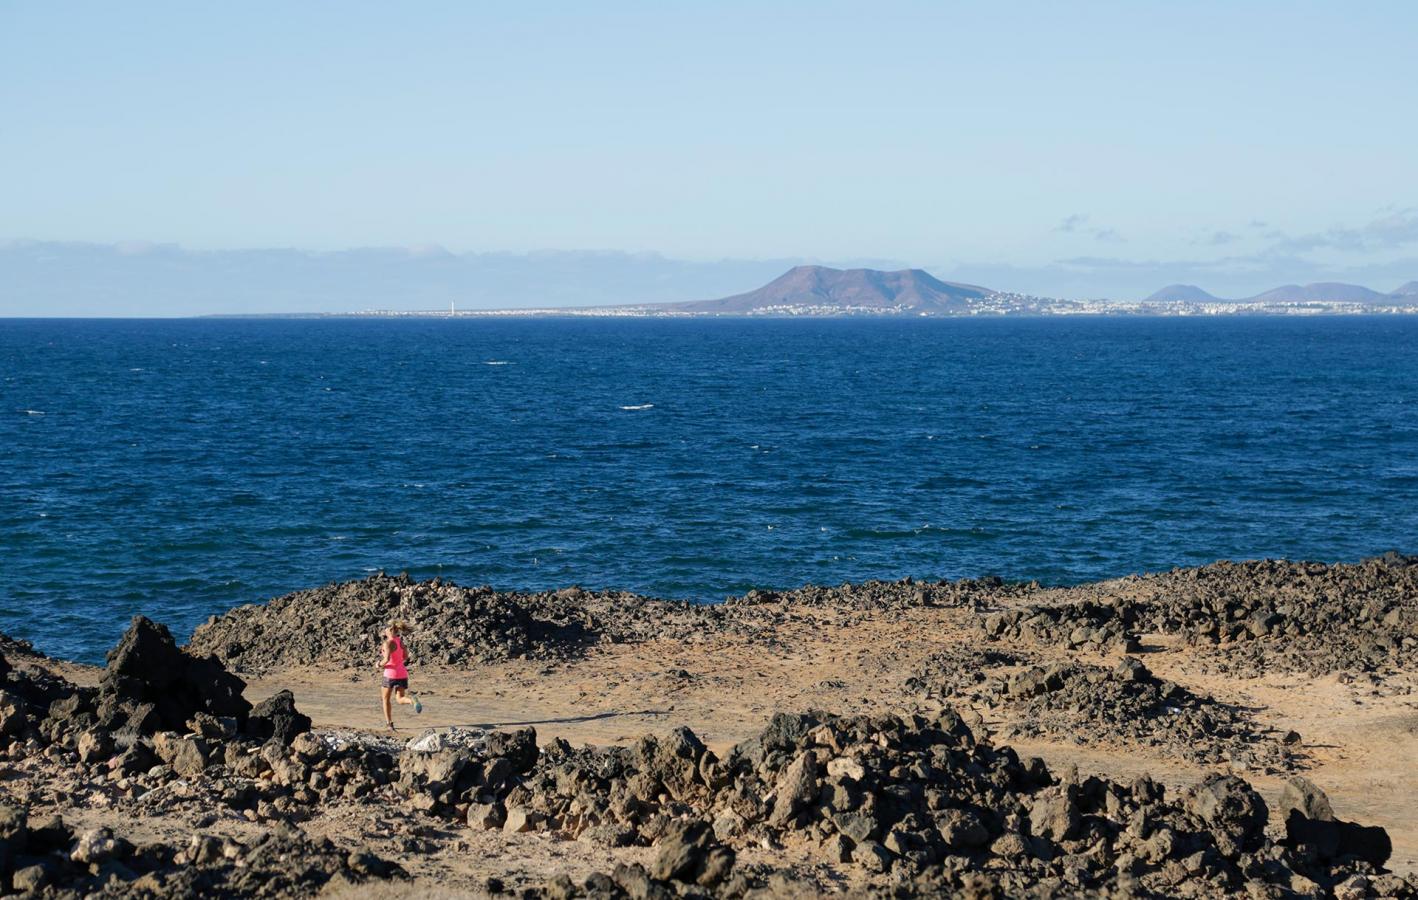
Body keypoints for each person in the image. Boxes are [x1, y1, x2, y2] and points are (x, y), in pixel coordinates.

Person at [379, 621, 422, 730]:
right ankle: (412, 700)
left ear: (390, 630)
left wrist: (378, 664)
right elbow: (406, 656)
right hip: (402, 673)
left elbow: (387, 659)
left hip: (390, 674)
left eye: (386, 629)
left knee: (385, 699)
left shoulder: (387, 643)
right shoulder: (400, 641)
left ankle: (389, 724)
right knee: (400, 698)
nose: (384, 631)